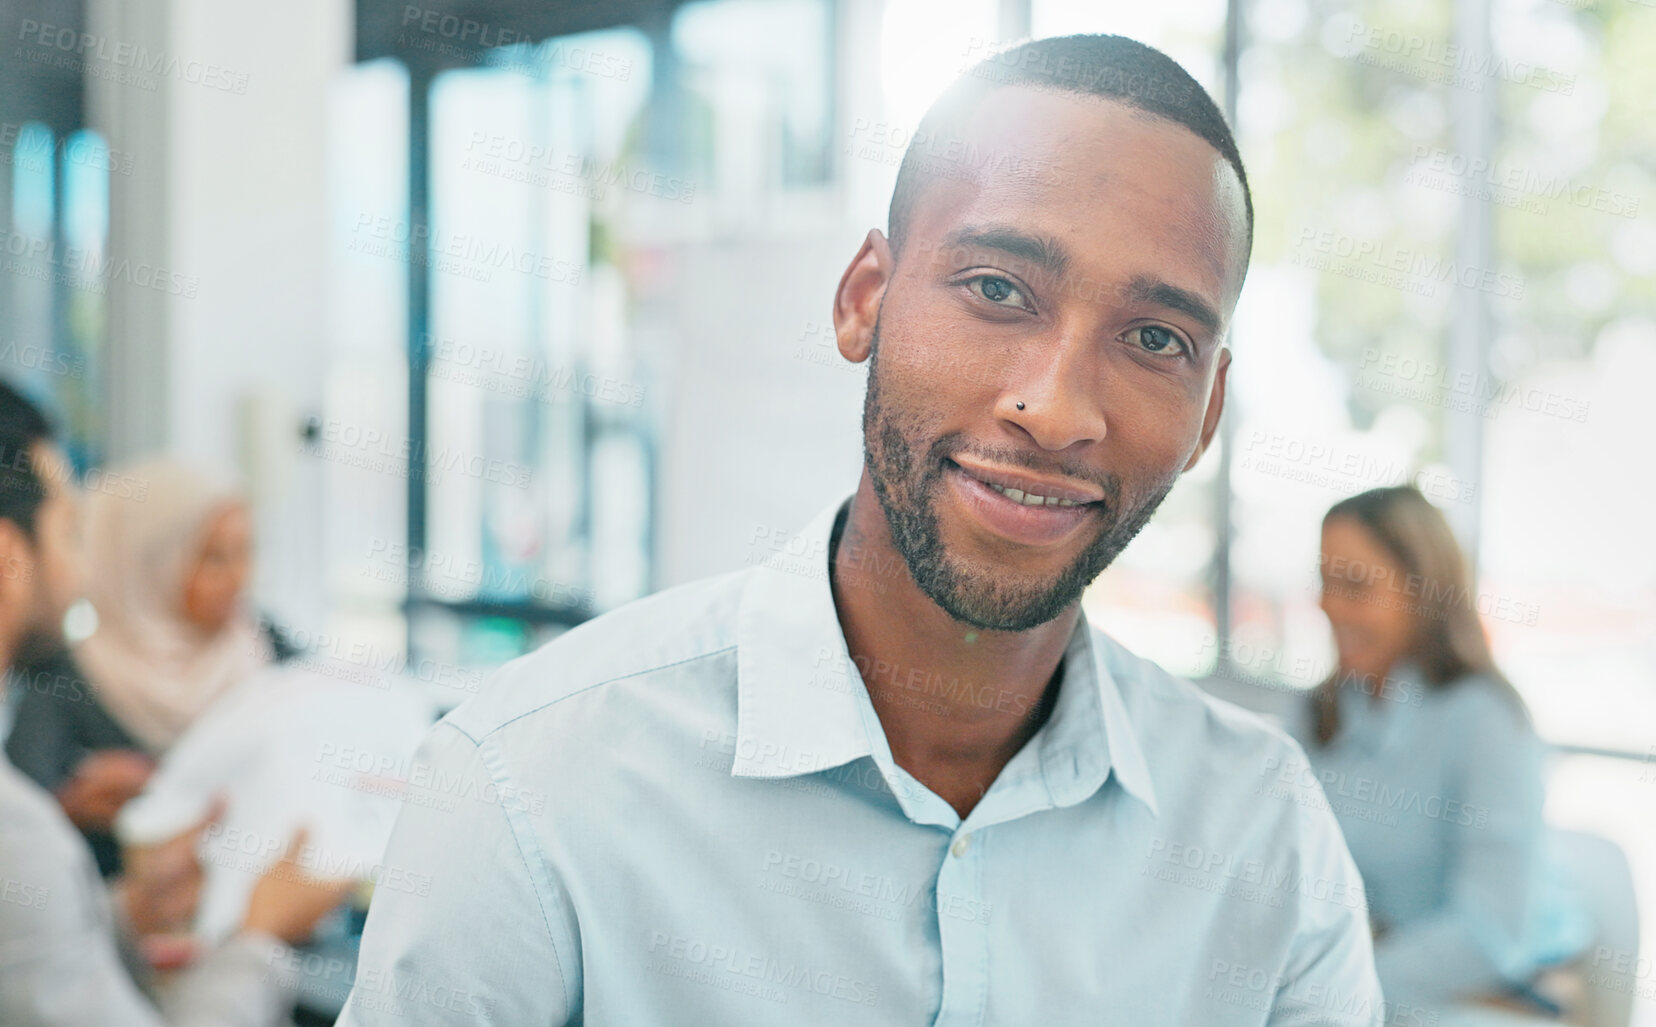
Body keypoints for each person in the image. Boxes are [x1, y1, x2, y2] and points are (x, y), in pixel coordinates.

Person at [341, 34, 1381, 1026]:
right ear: (863, 300)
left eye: (1155, 338)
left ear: (1208, 412)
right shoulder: (533, 785)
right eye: (996, 288)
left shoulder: (1263, 838)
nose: (1058, 410)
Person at [0, 382, 353, 1025]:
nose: (82, 572)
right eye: (71, 534)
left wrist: (133, 910)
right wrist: (258, 936)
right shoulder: (20, 833)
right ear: (7, 560)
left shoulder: (268, 646)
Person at [1295, 486, 1589, 1020]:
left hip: (1495, 989)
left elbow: (1491, 931)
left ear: (1423, 594)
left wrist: (1328, 981)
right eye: (1324, 581)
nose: (1330, 606)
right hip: (1367, 983)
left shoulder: (1487, 722)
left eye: (1355, 585)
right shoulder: (1319, 712)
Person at [4, 456, 296, 878]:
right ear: (147, 562)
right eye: (213, 558)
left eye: (245, 551)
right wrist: (73, 807)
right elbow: (20, 822)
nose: (240, 578)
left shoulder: (269, 649)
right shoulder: (64, 678)